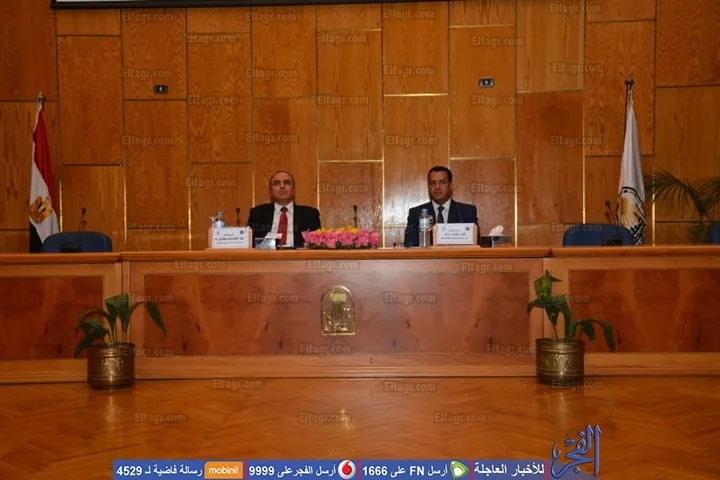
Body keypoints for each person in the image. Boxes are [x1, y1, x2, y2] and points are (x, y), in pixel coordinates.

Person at [403, 166, 480, 247]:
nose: (437, 187)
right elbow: (409, 244)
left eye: (442, 182)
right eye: (433, 183)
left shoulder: (467, 212)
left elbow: (476, 242)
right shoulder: (416, 213)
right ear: (429, 186)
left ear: (450, 185)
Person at [247, 171, 321, 248]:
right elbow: (249, 244)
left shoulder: (310, 215)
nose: (282, 186)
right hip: (266, 255)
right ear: (270, 191)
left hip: (298, 255)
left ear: (293, 190)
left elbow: (316, 246)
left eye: (287, 183)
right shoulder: (257, 214)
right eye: (276, 183)